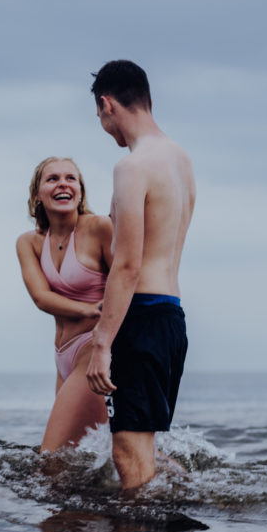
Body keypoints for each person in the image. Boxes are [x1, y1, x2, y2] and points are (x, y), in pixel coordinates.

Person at [85, 60, 196, 491]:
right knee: (144, 452)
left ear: (107, 104)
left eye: (99, 116)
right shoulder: (181, 160)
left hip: (142, 316)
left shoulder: (132, 168)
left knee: (129, 456)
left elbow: (127, 264)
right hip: (171, 318)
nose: (103, 125)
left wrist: (102, 343)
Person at [16, 157, 114, 454]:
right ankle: (187, 484)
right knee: (97, 451)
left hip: (92, 351)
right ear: (37, 194)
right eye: (53, 179)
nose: (63, 184)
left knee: (51, 458)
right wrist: (87, 309)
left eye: (71, 179)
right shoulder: (29, 242)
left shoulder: (99, 228)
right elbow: (40, 297)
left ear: (80, 192)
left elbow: (129, 279)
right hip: (63, 359)